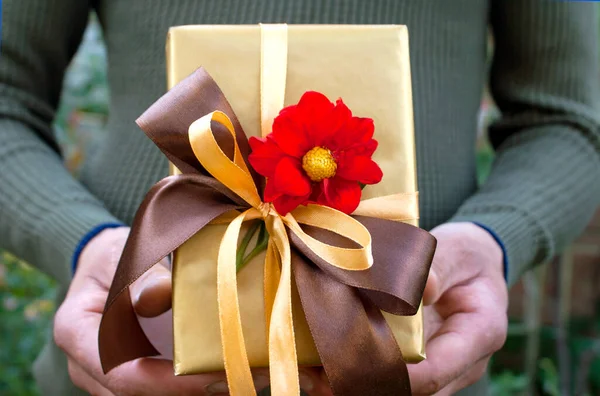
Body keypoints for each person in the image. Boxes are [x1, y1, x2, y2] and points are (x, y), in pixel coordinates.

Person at [1, 0, 599, 395]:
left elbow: (572, 119)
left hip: (406, 350)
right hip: (145, 351)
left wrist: (493, 241)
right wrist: (82, 244)